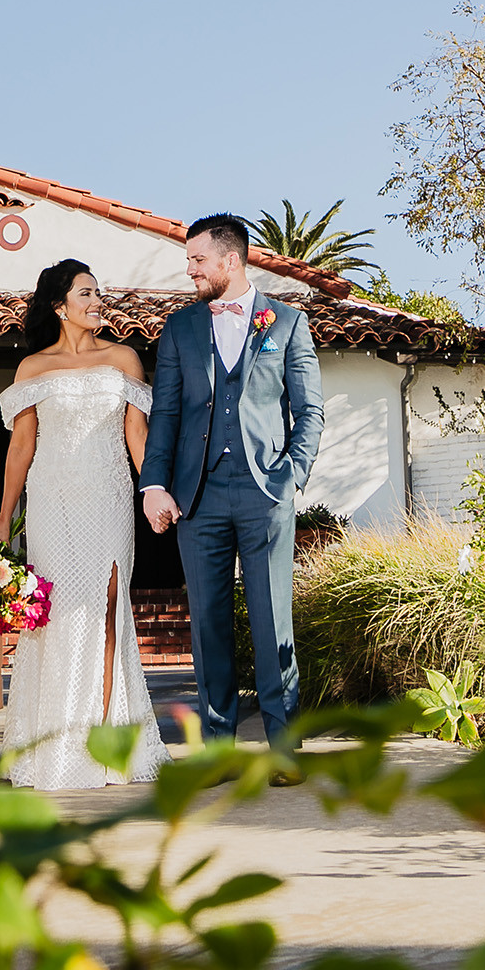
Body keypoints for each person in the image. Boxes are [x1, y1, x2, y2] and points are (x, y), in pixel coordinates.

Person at [138, 214, 323, 764]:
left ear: (231, 261)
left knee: (272, 622)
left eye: (198, 260)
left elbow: (309, 411)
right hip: (196, 498)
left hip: (265, 493)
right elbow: (166, 413)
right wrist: (153, 483)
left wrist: (291, 476)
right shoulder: (180, 329)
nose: (190, 269)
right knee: (210, 628)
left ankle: (283, 749)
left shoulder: (286, 324)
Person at [0, 259, 169, 789]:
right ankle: (55, 741)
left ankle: (109, 741)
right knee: (58, 614)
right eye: (86, 292)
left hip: (109, 496)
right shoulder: (32, 367)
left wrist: (153, 490)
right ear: (59, 304)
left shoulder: (125, 359)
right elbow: (21, 447)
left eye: (99, 292)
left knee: (109, 609)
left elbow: (138, 437)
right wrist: (4, 520)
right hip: (51, 501)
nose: (97, 301)